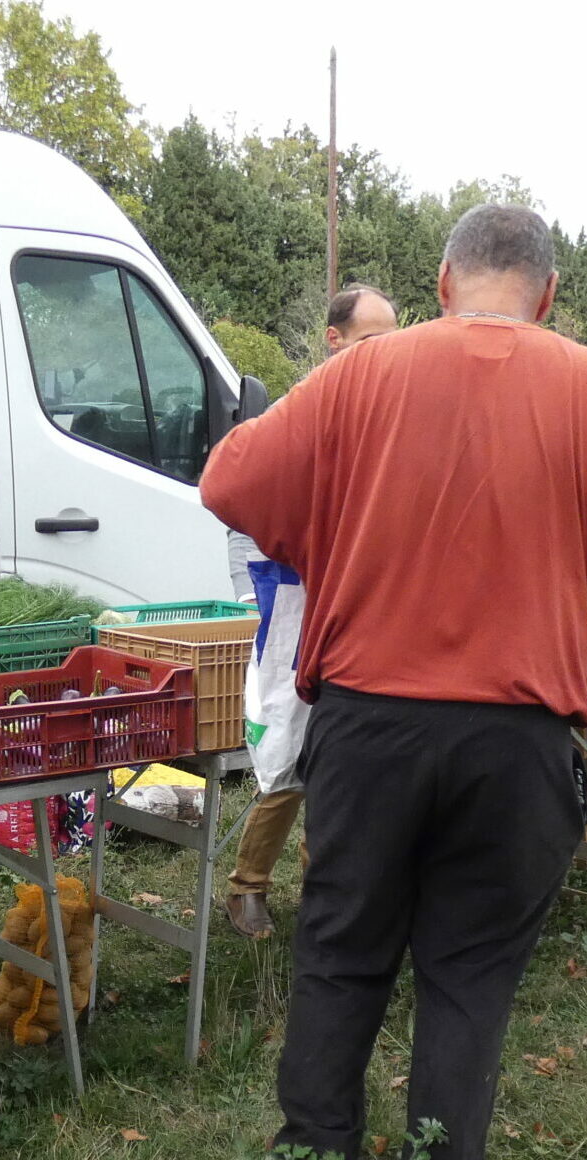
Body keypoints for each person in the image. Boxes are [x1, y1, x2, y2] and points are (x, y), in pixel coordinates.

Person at [201, 205, 587, 1160]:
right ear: (548, 293)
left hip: (369, 720)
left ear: (441, 282)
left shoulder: (358, 373)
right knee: (470, 968)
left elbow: (230, 480)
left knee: (342, 945)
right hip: (520, 736)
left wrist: (332, 528)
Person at [225, 282, 399, 941]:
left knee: (346, 758)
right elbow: (236, 498)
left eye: (391, 340)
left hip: (363, 609)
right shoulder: (301, 415)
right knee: (290, 750)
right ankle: (247, 887)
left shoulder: (388, 420)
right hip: (298, 608)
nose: (383, 355)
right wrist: (256, 592)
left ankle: (322, 892)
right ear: (335, 340)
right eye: (370, 340)